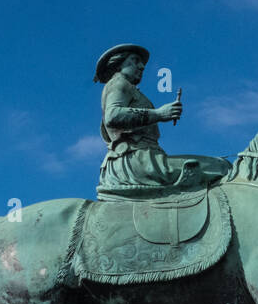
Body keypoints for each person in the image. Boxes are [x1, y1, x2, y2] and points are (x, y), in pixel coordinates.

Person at [92, 44, 228, 196]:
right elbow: (113, 116)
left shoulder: (125, 87)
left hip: (140, 158)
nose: (142, 66)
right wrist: (160, 114)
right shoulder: (119, 83)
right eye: (135, 60)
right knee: (221, 167)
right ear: (119, 64)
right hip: (138, 161)